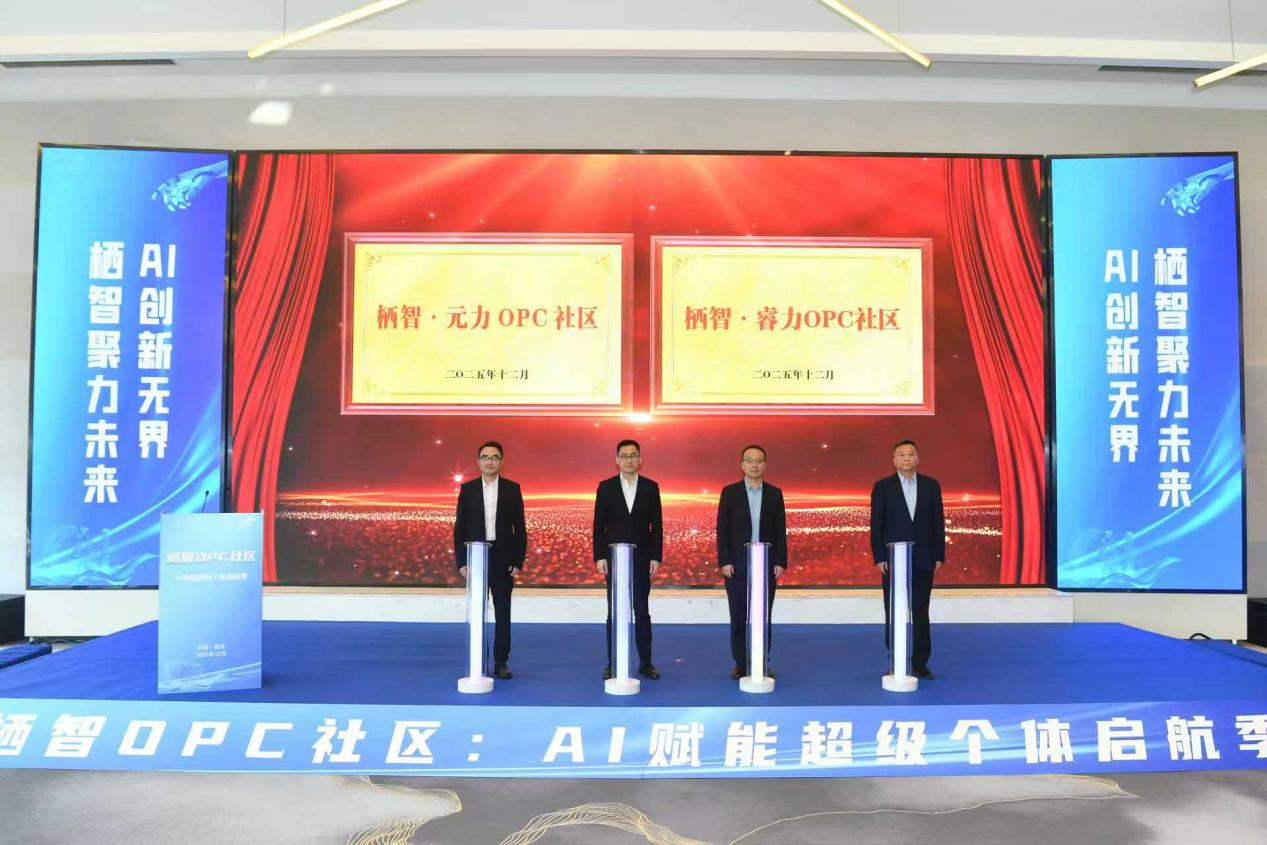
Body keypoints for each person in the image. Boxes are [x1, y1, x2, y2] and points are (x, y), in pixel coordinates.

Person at [869, 439, 945, 680]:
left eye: (911, 454)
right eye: (901, 455)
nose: (906, 458)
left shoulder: (931, 486)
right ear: (894, 460)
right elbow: (876, 525)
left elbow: (938, 522)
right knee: (894, 611)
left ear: (917, 458)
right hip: (893, 561)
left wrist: (939, 555)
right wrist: (879, 556)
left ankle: (920, 663)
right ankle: (896, 660)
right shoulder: (883, 487)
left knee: (921, 611)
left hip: (924, 559)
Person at [453, 440, 527, 680]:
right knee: (478, 612)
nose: (490, 461)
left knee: (503, 612)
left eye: (494, 457)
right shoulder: (468, 489)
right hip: (476, 556)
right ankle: (479, 660)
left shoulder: (512, 489)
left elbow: (520, 528)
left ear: (501, 461)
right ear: (478, 461)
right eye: (485, 457)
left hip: (503, 558)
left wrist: (517, 559)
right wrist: (462, 561)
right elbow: (460, 528)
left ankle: (501, 661)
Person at [593, 439, 663, 680]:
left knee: (641, 611)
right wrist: (599, 556)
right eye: (624, 456)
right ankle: (613, 662)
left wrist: (656, 556)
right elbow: (598, 526)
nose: (629, 460)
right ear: (617, 459)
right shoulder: (605, 487)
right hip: (614, 559)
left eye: (633, 455)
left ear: (640, 459)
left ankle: (646, 662)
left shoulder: (651, 487)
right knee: (614, 612)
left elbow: (657, 526)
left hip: (642, 558)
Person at [716, 444, 787, 680]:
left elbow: (780, 529)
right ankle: (740, 663)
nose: (754, 465)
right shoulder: (730, 492)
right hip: (737, 564)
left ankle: (761, 661)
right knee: (738, 615)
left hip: (766, 563)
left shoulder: (775, 493)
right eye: (749, 460)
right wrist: (724, 560)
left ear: (765, 464)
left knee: (763, 616)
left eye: (759, 461)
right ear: (742, 465)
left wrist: (780, 561)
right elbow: (722, 529)